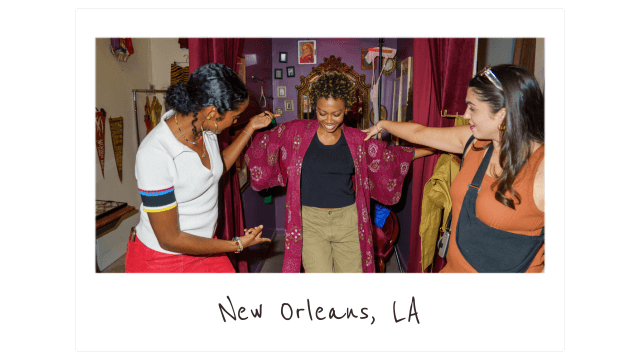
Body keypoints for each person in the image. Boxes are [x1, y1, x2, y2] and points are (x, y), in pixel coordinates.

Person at [363, 64, 545, 273]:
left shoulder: (544, 167)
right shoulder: (473, 140)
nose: (466, 114)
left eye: (473, 107)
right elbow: (420, 133)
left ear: (502, 114)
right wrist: (383, 124)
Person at [246, 72, 433, 273]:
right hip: (310, 223)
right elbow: (263, 146)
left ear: (347, 109)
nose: (329, 120)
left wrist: (434, 148)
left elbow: (391, 157)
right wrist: (251, 126)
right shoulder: (295, 132)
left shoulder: (357, 139)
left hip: (348, 221)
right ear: (313, 108)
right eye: (321, 112)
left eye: (336, 114)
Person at [126, 63, 280, 273]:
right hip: (163, 257)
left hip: (201, 245)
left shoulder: (203, 130)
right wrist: (237, 244)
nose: (235, 121)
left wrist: (250, 126)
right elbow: (169, 239)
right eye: (234, 117)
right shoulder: (154, 154)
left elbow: (215, 168)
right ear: (212, 112)